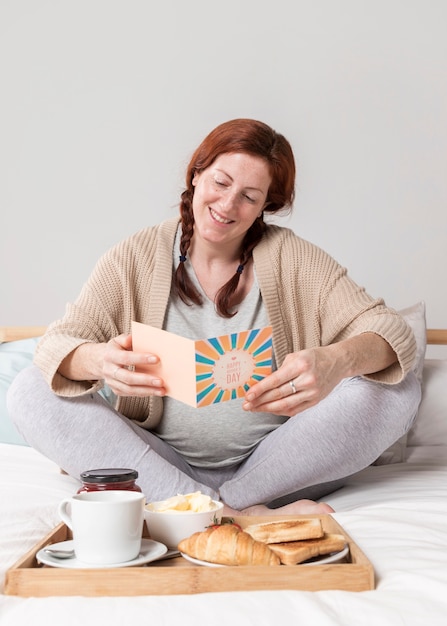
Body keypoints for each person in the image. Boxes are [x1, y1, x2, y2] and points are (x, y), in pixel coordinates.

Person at [8, 118, 420, 518]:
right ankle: (232, 514)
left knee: (398, 388)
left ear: (265, 206)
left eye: (249, 196)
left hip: (276, 470)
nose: (227, 205)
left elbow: (391, 332)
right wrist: (98, 360)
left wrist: (337, 362)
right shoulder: (135, 256)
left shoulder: (293, 258)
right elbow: (57, 344)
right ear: (196, 175)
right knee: (30, 390)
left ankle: (213, 508)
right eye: (221, 183)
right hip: (161, 466)